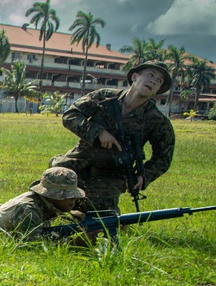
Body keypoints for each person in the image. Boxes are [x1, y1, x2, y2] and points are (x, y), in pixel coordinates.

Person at [50, 61, 175, 213]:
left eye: (159, 81)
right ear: (134, 76)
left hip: (111, 175)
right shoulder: (104, 97)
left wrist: (144, 176)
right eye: (151, 75)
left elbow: (163, 157)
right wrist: (98, 132)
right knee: (49, 194)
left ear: (157, 90)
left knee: (97, 213)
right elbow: (70, 115)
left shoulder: (157, 120)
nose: (153, 81)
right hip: (79, 160)